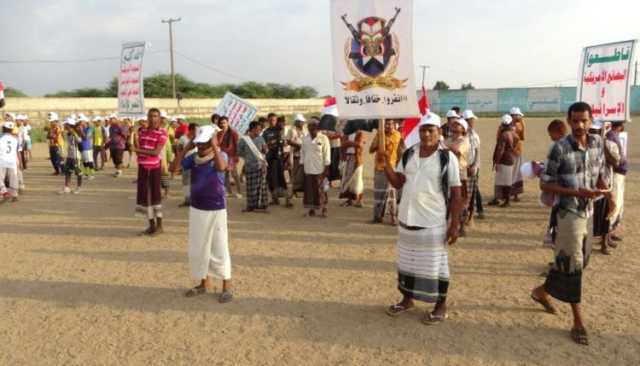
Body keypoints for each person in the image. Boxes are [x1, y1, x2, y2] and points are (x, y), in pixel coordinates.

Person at [530, 102, 611, 346]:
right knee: (573, 264)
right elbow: (545, 184)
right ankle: (577, 320)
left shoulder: (597, 143)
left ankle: (541, 291)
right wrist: (576, 192)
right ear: (569, 120)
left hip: (588, 210)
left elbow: (597, 172)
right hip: (568, 212)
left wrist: (605, 191)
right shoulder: (559, 148)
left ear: (591, 120)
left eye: (584, 121)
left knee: (580, 261)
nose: (579, 125)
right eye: (575, 121)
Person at [382, 113, 462, 324]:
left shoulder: (447, 158)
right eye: (423, 130)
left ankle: (440, 305)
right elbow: (399, 182)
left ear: (438, 132)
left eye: (430, 130)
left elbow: (456, 193)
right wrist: (387, 166)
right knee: (408, 263)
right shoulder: (409, 154)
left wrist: (455, 224)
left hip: (433, 221)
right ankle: (407, 299)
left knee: (436, 266)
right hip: (407, 219)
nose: (426, 134)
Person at [178, 125, 233, 303]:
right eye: (199, 143)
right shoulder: (193, 159)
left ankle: (226, 286)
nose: (201, 147)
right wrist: (187, 148)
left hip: (216, 208)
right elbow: (174, 168)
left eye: (205, 143)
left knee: (219, 247)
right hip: (197, 208)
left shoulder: (221, 155)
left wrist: (215, 146)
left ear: (213, 141)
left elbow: (221, 167)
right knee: (199, 248)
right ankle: (203, 283)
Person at [134, 108, 169, 236]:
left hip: (153, 168)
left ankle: (159, 226)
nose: (153, 119)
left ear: (159, 118)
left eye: (155, 116)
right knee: (144, 197)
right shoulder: (142, 132)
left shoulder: (162, 133)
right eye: (150, 116)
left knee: (155, 196)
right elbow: (138, 148)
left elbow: (155, 152)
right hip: (142, 167)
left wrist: (137, 149)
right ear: (147, 118)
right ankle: (151, 225)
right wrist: (133, 138)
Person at [369, 119, 402, 225]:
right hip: (379, 168)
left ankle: (393, 217)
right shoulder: (379, 134)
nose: (388, 126)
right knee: (378, 194)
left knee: (391, 194)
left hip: (392, 168)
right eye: (386, 124)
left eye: (390, 124)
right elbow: (371, 149)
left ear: (394, 125)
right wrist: (379, 141)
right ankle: (377, 217)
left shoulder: (398, 135)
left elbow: (400, 151)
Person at [444, 118, 471, 236]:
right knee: (448, 200)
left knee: (460, 201)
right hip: (447, 172)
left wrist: (445, 147)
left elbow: (458, 152)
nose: (454, 126)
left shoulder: (464, 141)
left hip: (460, 173)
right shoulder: (448, 140)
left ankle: (461, 225)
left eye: (458, 125)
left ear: (463, 129)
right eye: (454, 125)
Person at [300, 118, 331, 218]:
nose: (311, 127)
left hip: (320, 169)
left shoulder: (323, 138)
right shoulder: (305, 138)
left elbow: (327, 154)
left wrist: (326, 168)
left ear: (318, 127)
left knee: (321, 190)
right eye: (309, 125)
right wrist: (302, 166)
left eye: (313, 125)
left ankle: (324, 209)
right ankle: (312, 209)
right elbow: (302, 153)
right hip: (308, 168)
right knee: (310, 190)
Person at [237, 121, 269, 212]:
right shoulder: (244, 140)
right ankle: (251, 206)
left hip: (261, 165)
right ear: (252, 129)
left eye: (260, 129)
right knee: (251, 187)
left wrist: (265, 149)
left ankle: (263, 205)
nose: (259, 131)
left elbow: (265, 150)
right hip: (249, 166)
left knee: (262, 186)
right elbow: (239, 151)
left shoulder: (261, 138)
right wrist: (247, 156)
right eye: (258, 129)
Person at [489, 115, 519, 207]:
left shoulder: (504, 134)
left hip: (503, 160)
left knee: (503, 181)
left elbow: (500, 149)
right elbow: (517, 142)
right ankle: (498, 198)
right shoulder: (513, 133)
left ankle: (506, 200)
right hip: (510, 158)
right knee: (504, 180)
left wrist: (497, 162)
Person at [606, 121, 627, 243]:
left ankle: (611, 232)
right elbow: (616, 159)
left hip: (620, 174)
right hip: (616, 174)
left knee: (619, 206)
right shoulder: (611, 137)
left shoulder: (615, 136)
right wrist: (622, 160)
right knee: (615, 205)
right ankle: (607, 233)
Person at [262, 114, 290, 206]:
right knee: (271, 179)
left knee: (281, 178)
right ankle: (275, 199)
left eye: (274, 120)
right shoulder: (266, 132)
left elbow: (284, 143)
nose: (272, 122)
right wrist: (271, 143)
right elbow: (264, 144)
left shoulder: (280, 130)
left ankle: (287, 200)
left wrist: (278, 142)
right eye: (270, 120)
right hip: (269, 158)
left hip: (279, 158)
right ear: (268, 121)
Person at [463, 110, 484, 221]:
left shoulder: (474, 135)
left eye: (472, 120)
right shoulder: (460, 133)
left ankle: (471, 215)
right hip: (462, 168)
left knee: (472, 193)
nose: (472, 122)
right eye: (471, 120)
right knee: (463, 194)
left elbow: (477, 152)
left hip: (472, 168)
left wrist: (474, 166)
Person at [171, 123, 198, 208]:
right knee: (186, 182)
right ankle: (187, 200)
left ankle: (194, 199)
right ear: (191, 130)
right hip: (186, 162)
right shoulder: (183, 138)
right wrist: (180, 161)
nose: (197, 131)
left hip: (196, 162)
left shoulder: (198, 138)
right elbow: (178, 150)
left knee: (195, 181)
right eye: (196, 130)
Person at [217, 116, 242, 199]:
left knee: (234, 174)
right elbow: (217, 144)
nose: (223, 124)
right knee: (225, 174)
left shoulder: (233, 133)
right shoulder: (219, 133)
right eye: (221, 123)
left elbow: (237, 145)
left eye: (224, 123)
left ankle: (239, 192)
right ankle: (229, 191)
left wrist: (237, 155)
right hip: (223, 156)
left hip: (231, 156)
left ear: (228, 123)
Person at [339, 129, 365, 207]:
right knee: (348, 179)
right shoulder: (347, 133)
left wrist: (349, 143)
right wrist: (353, 143)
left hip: (357, 158)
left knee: (358, 179)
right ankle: (349, 200)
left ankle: (359, 200)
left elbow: (360, 145)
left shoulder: (360, 133)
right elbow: (343, 145)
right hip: (348, 157)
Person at [59, 117, 83, 194]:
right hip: (69, 156)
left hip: (76, 156)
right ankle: (67, 187)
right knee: (68, 172)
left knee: (78, 172)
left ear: (69, 125)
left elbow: (80, 142)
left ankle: (78, 187)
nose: (64, 125)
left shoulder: (74, 134)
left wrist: (75, 134)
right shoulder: (67, 133)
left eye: (66, 124)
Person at [286, 114, 308, 198]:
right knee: (294, 173)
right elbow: (288, 141)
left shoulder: (305, 130)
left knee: (302, 174)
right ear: (297, 122)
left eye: (303, 122)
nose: (302, 123)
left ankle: (299, 190)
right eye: (301, 122)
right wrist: (298, 145)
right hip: (295, 154)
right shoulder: (292, 130)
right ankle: (292, 191)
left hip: (304, 154)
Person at [0, 121, 20, 203]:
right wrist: (18, 162)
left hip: (2, 161)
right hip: (12, 161)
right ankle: (15, 195)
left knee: (0, 178)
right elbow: (16, 151)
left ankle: (4, 192)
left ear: (4, 129)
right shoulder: (15, 139)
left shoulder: (1, 138)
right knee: (13, 178)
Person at [510, 107, 526, 201]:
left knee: (517, 173)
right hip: (511, 152)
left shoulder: (520, 125)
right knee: (511, 173)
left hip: (518, 151)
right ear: (513, 116)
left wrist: (522, 123)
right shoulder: (507, 125)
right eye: (518, 115)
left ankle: (515, 194)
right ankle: (509, 194)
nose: (519, 117)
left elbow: (522, 137)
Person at [78, 115, 95, 180]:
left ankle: (92, 174)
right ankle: (86, 173)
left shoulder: (89, 129)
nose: (80, 123)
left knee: (89, 161)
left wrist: (81, 131)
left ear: (85, 121)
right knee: (84, 161)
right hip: (82, 147)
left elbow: (86, 138)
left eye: (81, 121)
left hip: (87, 147)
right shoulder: (81, 128)